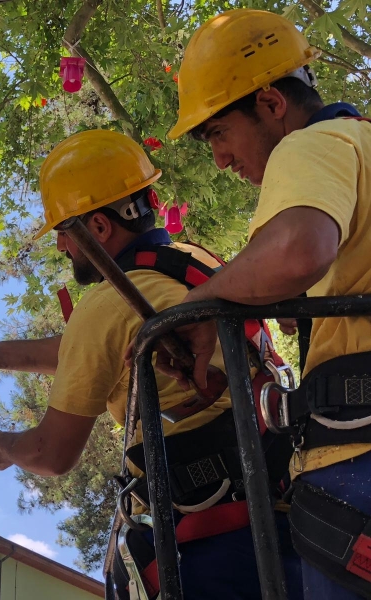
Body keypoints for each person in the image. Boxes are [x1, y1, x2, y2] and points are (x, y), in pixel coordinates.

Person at [0, 129, 302, 599]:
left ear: (97, 228)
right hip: (282, 510)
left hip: (210, 545)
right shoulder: (190, 263)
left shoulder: (108, 305)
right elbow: (96, 351)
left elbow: (51, 455)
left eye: (63, 232)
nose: (60, 247)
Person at [157, 9, 371, 598]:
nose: (220, 160)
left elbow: (298, 249)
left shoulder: (312, 145)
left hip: (359, 463)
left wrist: (199, 303)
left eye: (219, 133)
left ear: (273, 104)